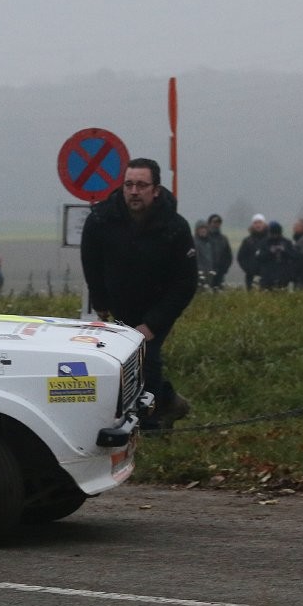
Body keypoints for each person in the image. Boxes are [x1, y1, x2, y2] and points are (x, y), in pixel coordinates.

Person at [78, 156, 198, 429]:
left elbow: (186, 282)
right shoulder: (100, 219)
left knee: (147, 356)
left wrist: (154, 323)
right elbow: (91, 262)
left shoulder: (175, 227)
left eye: (141, 185)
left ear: (155, 190)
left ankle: (152, 423)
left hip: (159, 304)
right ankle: (167, 402)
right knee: (123, 361)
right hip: (120, 303)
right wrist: (100, 300)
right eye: (129, 185)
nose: (134, 191)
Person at [257, 220, 294, 290]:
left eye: (276, 234)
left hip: (283, 277)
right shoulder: (264, 243)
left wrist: (284, 251)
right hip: (267, 277)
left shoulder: (286, 242)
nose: (274, 236)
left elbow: (294, 256)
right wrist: (270, 252)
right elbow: (259, 257)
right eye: (273, 233)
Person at [234, 213, 267, 290]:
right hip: (251, 277)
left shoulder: (270, 240)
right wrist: (249, 269)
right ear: (252, 225)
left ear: (264, 224)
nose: (258, 225)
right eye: (255, 223)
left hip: (267, 277)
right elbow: (241, 257)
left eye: (260, 222)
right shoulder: (247, 241)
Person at [205, 213, 233, 289]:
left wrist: (224, 269)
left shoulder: (224, 239)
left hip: (220, 273)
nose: (216, 225)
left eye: (218, 223)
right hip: (206, 273)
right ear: (209, 223)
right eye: (214, 222)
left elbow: (228, 256)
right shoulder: (204, 238)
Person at [192, 221, 216, 289]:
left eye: (205, 228)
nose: (203, 230)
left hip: (210, 273)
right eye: (200, 228)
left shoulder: (210, 242)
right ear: (197, 230)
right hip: (198, 274)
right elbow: (191, 258)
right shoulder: (193, 242)